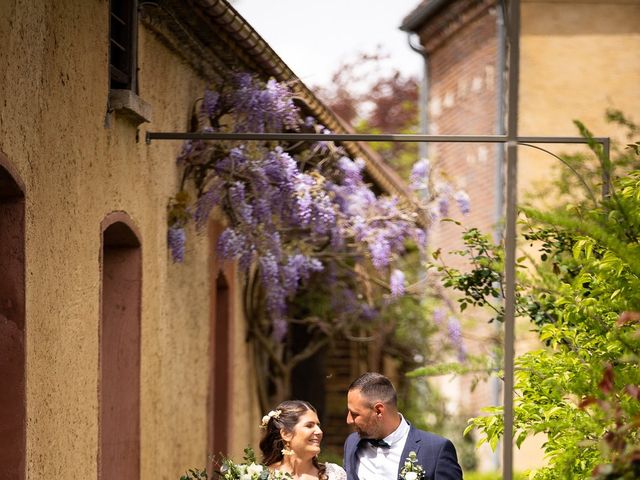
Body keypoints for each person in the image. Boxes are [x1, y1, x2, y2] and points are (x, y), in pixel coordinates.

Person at [343, 372, 463, 480]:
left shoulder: (436, 451)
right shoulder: (352, 443)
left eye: (354, 414)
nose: (348, 420)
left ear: (379, 411)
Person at [260, 400, 347, 480]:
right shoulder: (263, 475)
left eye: (318, 426)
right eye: (309, 425)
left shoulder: (334, 474)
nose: (319, 432)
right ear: (286, 434)